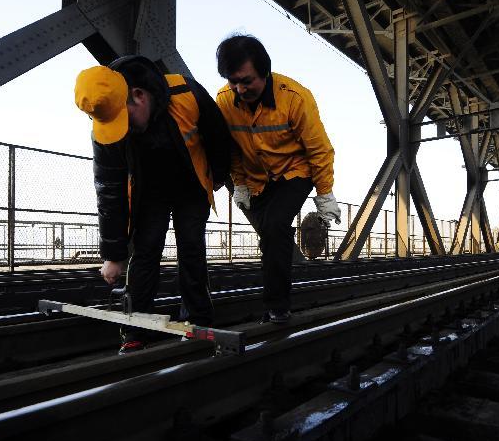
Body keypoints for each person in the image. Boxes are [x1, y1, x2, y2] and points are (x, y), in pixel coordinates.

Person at [74, 56, 233, 353]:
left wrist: (220, 176)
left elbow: (219, 137)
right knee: (145, 251)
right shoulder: (106, 127)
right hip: (150, 192)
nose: (124, 129)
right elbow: (109, 191)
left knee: (191, 247)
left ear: (139, 95)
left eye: (126, 118)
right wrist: (113, 255)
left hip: (191, 184)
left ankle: (197, 321)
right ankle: (136, 328)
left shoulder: (185, 93)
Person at [214, 34, 340, 323]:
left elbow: (319, 149)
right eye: (233, 82)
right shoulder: (224, 101)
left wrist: (324, 194)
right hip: (255, 177)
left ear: (265, 72)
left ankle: (277, 307)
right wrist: (240, 183)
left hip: (294, 171)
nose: (240, 89)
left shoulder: (295, 98)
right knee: (271, 236)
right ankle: (277, 301)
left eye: (247, 81)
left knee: (274, 226)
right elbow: (232, 148)